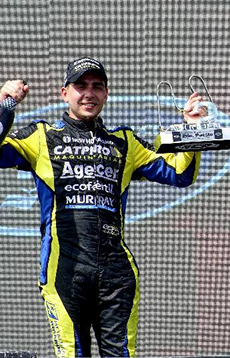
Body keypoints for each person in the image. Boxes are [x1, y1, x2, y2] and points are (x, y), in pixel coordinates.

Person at [0, 57, 206, 357]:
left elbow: (179, 173)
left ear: (106, 94)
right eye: (80, 86)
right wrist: (5, 102)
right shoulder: (41, 136)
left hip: (116, 274)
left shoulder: (125, 142)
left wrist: (191, 131)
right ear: (64, 93)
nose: (89, 94)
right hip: (64, 271)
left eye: (97, 87)